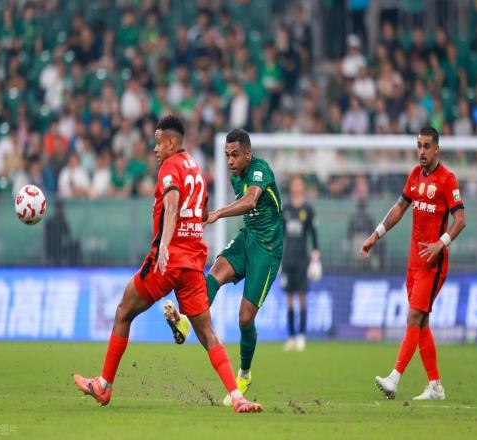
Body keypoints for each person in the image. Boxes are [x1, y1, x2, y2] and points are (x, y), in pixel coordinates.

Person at [73, 116, 262, 413]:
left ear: (172, 142)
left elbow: (172, 204)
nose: (155, 148)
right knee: (207, 333)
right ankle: (237, 397)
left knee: (123, 312)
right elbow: (202, 214)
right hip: (193, 264)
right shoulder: (196, 170)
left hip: (167, 260)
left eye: (159, 142)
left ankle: (104, 386)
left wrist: (164, 243)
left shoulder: (170, 167)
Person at [167, 128, 283, 406]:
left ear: (248, 154)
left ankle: (244, 374)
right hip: (247, 238)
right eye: (227, 155)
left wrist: (218, 213)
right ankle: (185, 322)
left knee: (245, 318)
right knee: (214, 274)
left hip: (267, 249)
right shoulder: (235, 175)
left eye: (235, 155)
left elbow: (251, 200)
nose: (230, 161)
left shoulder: (260, 170)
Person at [361, 126, 466, 400]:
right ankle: (435, 386)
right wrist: (375, 235)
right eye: (419, 146)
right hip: (414, 263)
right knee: (422, 323)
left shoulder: (448, 179)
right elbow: (399, 208)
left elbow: (460, 220)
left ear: (437, 148)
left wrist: (441, 243)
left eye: (427, 146)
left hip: (434, 264)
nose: (422, 151)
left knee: (413, 317)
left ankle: (394, 378)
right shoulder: (415, 175)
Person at [281, 174, 320, 352]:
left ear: (302, 187)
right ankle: (291, 336)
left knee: (302, 296)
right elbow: (281, 234)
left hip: (302, 259)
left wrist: (315, 258)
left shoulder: (308, 210)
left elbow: (313, 235)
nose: (296, 188)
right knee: (289, 297)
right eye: (294, 184)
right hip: (288, 259)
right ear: (291, 187)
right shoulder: (286, 209)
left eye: (299, 185)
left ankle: (302, 336)